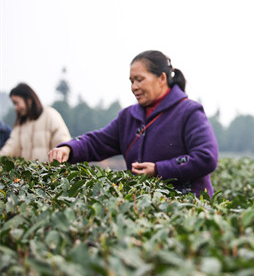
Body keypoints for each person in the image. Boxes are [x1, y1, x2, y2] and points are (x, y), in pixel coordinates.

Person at [48, 50, 219, 196]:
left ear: (162, 78)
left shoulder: (188, 112)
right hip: (144, 209)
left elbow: (206, 157)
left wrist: (159, 170)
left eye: (140, 79)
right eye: (132, 81)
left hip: (188, 209)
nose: (134, 87)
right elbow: (97, 142)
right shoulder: (128, 116)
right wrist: (69, 149)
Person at [0, 83, 71, 161]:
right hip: (27, 172)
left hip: (49, 172)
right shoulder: (21, 124)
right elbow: (10, 147)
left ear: (29, 99)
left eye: (16, 103)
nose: (15, 108)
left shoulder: (50, 115)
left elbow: (62, 144)